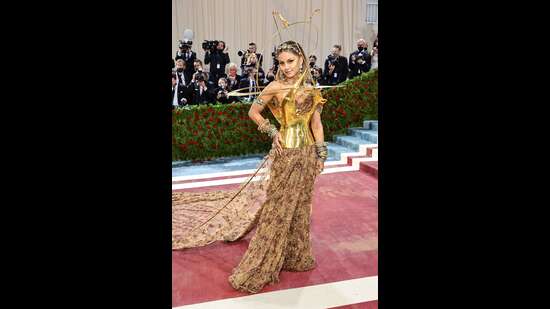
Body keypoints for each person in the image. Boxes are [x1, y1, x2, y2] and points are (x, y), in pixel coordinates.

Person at [172, 40, 328, 294]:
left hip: (307, 155)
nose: (286, 67)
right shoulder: (275, 86)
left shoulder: (311, 88)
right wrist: (271, 131)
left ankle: (294, 255)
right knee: (278, 208)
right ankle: (264, 262)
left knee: (300, 206)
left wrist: (321, 153)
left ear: (301, 59)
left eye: (291, 61)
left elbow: (317, 125)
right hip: (285, 154)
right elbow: (254, 112)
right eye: (281, 62)